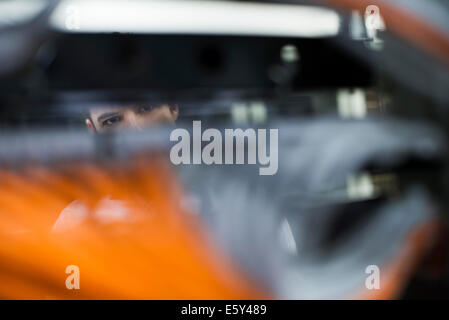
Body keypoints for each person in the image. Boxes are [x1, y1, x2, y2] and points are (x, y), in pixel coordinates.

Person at [53, 103, 179, 232]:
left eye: (146, 109)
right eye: (112, 121)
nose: (134, 130)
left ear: (173, 108)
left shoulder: (195, 197)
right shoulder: (77, 225)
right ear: (93, 130)